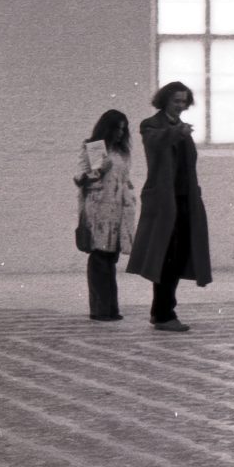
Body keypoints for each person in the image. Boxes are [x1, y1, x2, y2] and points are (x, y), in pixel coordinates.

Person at [127, 82, 213, 331]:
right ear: (165, 100)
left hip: (185, 200)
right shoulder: (151, 124)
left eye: (184, 101)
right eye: (176, 100)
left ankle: (162, 311)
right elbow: (155, 142)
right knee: (166, 256)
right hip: (164, 202)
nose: (180, 105)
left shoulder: (181, 128)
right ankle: (164, 313)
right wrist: (177, 133)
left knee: (179, 255)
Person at [74, 109, 138, 321]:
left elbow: (124, 179)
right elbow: (81, 178)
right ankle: (100, 309)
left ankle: (110, 308)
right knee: (100, 258)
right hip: (98, 211)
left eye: (123, 130)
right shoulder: (95, 147)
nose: (120, 134)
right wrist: (100, 170)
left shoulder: (120, 152)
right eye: (117, 129)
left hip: (117, 211)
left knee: (110, 258)